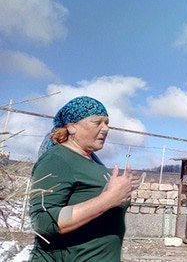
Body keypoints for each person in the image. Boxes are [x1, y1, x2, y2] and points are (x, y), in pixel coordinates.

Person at [29, 96, 139, 261]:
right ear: (72, 127)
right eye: (97, 122)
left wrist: (122, 191)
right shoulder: (58, 159)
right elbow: (43, 222)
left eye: (107, 122)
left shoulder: (93, 162)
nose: (106, 128)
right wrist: (107, 199)